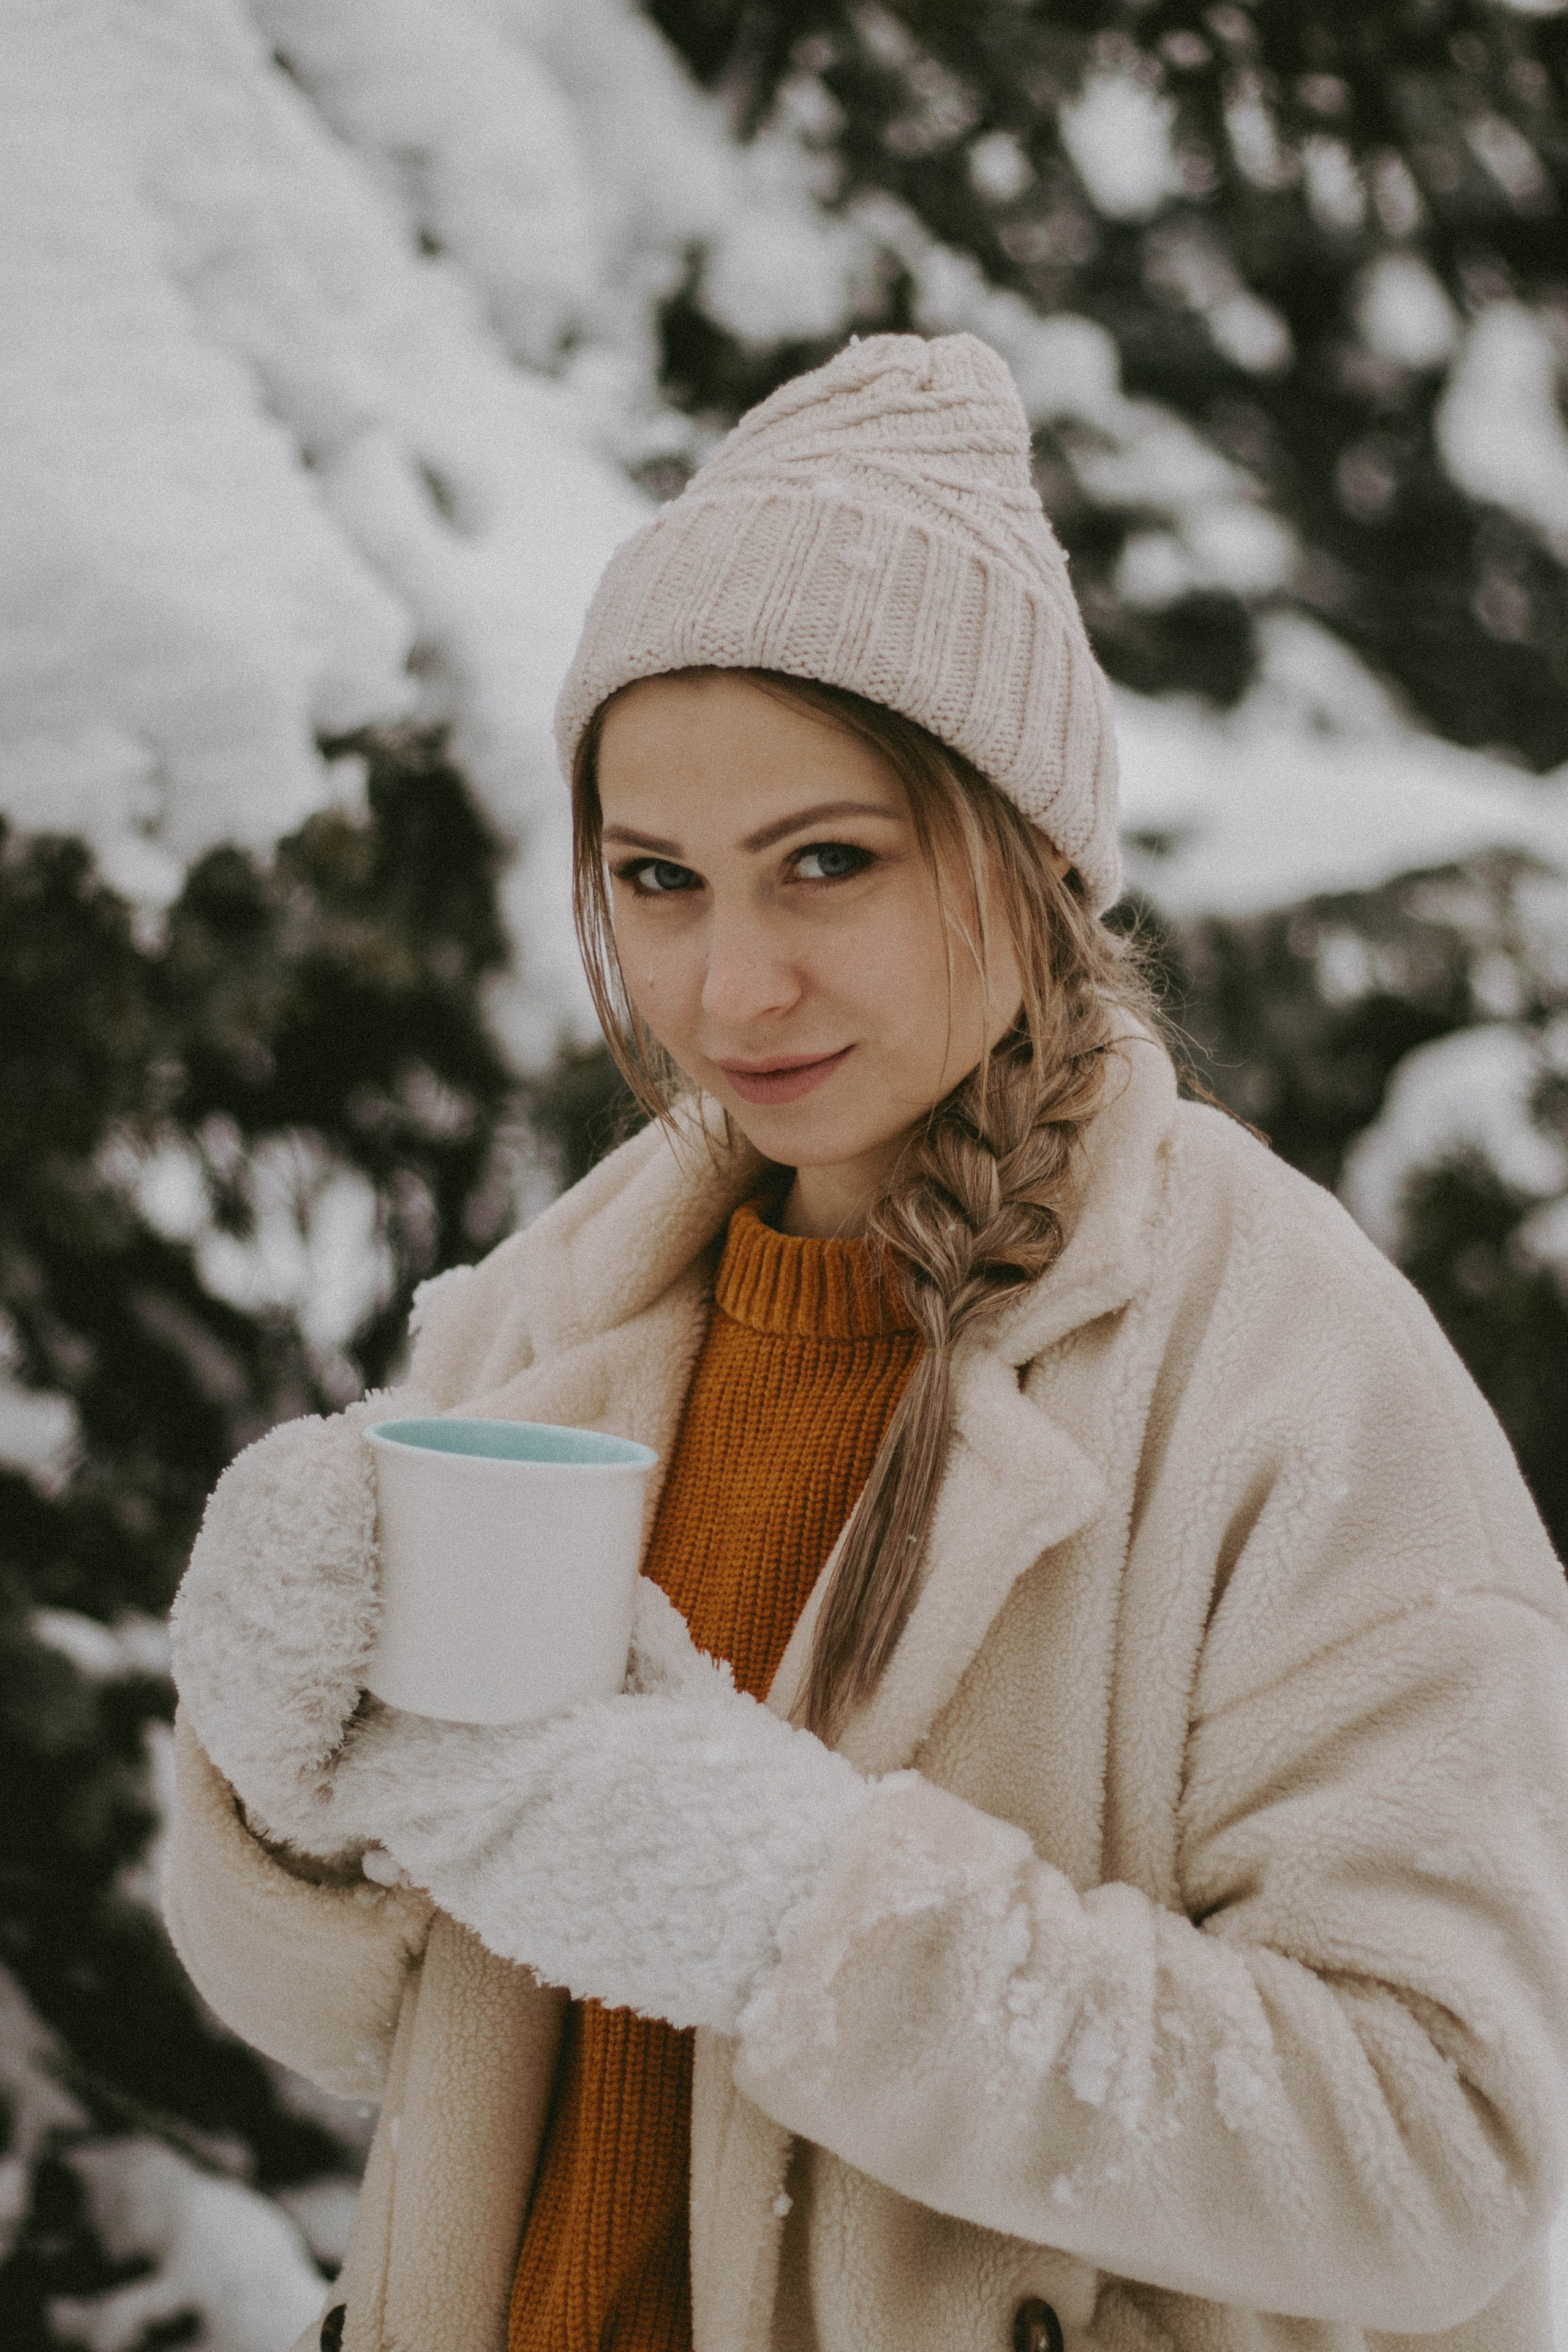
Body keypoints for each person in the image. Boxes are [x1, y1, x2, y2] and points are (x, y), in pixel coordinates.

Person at [165, 333, 1568, 2352]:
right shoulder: (548, 1321)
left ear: (1031, 849)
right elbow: (391, 2032)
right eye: (659, 882)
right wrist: (280, 1798)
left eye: (828, 862)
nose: (731, 985)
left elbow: (1437, 2153)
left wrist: (805, 1913)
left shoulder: (1291, 1372)